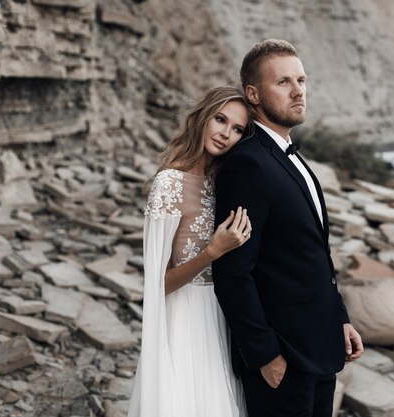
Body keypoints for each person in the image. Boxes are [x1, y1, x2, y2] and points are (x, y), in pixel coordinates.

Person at [213, 39, 364, 417]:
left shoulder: (289, 156)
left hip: (320, 345)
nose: (298, 91)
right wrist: (264, 354)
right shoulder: (248, 164)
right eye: (283, 82)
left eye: (301, 80)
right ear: (254, 94)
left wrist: (339, 318)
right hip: (283, 360)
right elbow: (233, 270)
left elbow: (310, 253)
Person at [127, 86, 254, 417]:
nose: (226, 134)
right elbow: (159, 284)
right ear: (202, 118)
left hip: (223, 315)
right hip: (184, 318)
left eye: (238, 129)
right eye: (220, 120)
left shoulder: (223, 183)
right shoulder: (169, 183)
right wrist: (212, 251)